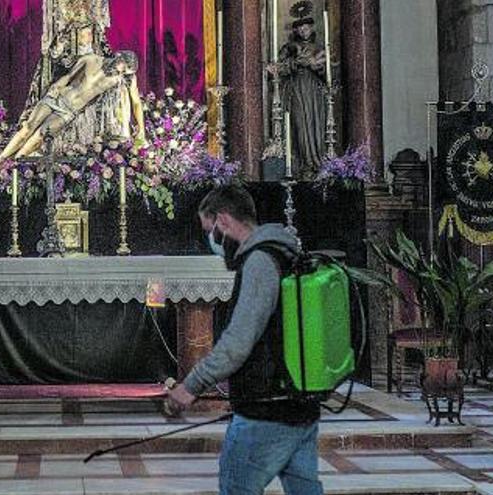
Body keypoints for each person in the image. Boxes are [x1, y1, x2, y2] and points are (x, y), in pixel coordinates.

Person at [166, 184, 323, 495]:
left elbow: (238, 342)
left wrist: (191, 386)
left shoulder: (261, 261)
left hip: (265, 408)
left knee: (237, 488)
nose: (212, 240)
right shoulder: (287, 252)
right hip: (299, 402)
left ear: (223, 221)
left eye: (210, 231)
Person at [0, 50, 147, 168]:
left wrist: (141, 128)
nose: (122, 72)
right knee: (28, 127)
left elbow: (136, 103)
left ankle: (13, 166)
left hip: (70, 112)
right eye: (123, 67)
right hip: (58, 97)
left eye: (127, 71)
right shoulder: (91, 59)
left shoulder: (123, 79)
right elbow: (69, 76)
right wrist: (56, 87)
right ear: (118, 56)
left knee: (40, 136)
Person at [267, 9, 328, 180]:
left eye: (306, 27)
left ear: (311, 27)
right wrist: (298, 62)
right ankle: (303, 163)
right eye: (299, 28)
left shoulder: (320, 48)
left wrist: (318, 66)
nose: (303, 30)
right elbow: (277, 68)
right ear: (296, 31)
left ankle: (317, 162)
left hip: (314, 93)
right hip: (296, 91)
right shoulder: (289, 48)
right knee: (300, 125)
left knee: (315, 126)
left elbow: (331, 72)